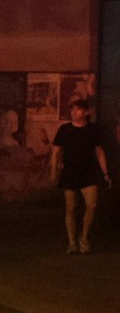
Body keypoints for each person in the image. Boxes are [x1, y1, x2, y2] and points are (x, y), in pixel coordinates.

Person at [50, 98, 110, 254]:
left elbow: (99, 151)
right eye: (72, 110)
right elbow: (55, 152)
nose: (73, 112)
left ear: (86, 112)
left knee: (92, 205)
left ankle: (83, 237)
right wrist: (53, 173)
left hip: (88, 173)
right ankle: (71, 242)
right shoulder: (65, 129)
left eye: (77, 110)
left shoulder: (93, 129)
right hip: (70, 172)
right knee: (71, 209)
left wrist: (105, 173)